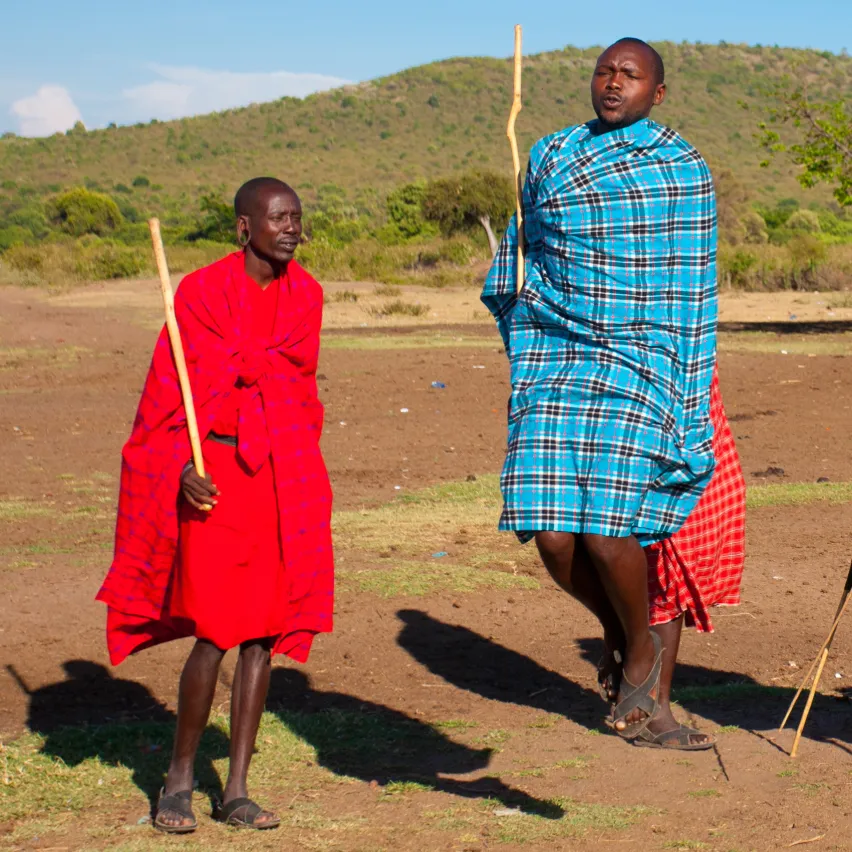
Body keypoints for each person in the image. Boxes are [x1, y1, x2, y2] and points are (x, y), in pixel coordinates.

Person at [482, 38, 737, 747]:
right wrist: (520, 287)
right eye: (604, 72)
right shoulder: (553, 156)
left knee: (606, 528)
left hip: (643, 360)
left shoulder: (681, 171)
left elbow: (688, 284)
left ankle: (644, 661)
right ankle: (621, 633)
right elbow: (526, 243)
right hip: (561, 352)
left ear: (658, 93)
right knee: (550, 528)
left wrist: (685, 384)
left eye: (629, 75)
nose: (612, 82)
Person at [96, 177, 334, 831]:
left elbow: (296, 392)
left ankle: (236, 789)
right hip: (215, 476)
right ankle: (177, 781)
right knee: (215, 630)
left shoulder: (306, 297)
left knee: (261, 634)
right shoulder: (199, 294)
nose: (290, 229)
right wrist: (178, 468)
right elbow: (165, 397)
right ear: (244, 228)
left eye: (297, 218)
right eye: (278, 218)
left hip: (277, 474)